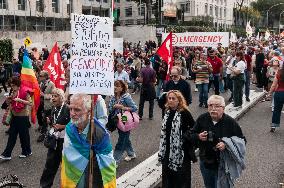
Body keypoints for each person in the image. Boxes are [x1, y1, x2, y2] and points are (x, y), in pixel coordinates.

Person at [190, 95, 246, 188]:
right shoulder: (202, 118)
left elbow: (242, 140)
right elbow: (191, 134)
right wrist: (198, 136)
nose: (213, 108)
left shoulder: (230, 122)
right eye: (210, 105)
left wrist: (226, 144)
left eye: (217, 106)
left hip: (223, 163)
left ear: (223, 108)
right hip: (206, 162)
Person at [61, 94, 115, 187]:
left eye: (77, 110)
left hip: (89, 175)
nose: (72, 113)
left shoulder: (100, 133)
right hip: (71, 175)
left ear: (89, 111)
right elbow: (67, 154)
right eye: (70, 109)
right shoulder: (69, 127)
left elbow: (108, 163)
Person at [158, 90, 195, 188]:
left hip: (181, 150)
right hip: (167, 149)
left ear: (179, 100)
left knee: (181, 178)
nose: (170, 100)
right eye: (169, 98)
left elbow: (194, 127)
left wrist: (186, 136)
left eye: (173, 98)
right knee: (167, 176)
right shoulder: (167, 111)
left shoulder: (185, 113)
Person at [40, 88, 70, 188]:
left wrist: (63, 127)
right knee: (49, 166)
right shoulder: (54, 108)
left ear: (61, 98)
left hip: (65, 142)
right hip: (54, 140)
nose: (52, 98)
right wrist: (50, 122)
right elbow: (54, 124)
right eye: (52, 96)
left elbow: (74, 125)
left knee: (67, 167)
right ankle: (44, 186)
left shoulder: (67, 108)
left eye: (55, 96)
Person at [0, 77, 33, 160]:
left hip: (23, 116)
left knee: (24, 135)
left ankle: (27, 151)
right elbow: (10, 102)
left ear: (18, 85)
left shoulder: (24, 91)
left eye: (14, 85)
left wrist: (20, 100)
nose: (12, 87)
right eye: (11, 85)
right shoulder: (13, 91)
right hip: (14, 115)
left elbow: (30, 103)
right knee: (12, 135)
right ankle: (7, 154)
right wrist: (8, 100)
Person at [108, 80, 138, 163]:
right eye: (114, 85)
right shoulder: (112, 97)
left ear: (122, 88)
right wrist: (114, 106)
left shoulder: (126, 97)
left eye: (117, 86)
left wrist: (123, 107)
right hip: (116, 120)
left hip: (125, 119)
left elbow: (135, 108)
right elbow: (110, 109)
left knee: (122, 140)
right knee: (125, 138)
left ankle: (115, 160)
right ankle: (131, 154)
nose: (115, 87)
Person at [37, 71, 55, 142]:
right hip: (42, 104)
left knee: (46, 120)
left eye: (41, 76)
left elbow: (54, 96)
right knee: (41, 116)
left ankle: (44, 134)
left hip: (49, 105)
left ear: (45, 77)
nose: (39, 76)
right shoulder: (41, 83)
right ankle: (44, 131)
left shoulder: (51, 84)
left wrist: (44, 95)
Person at [267, 63, 284, 132]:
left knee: (276, 110)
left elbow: (274, 85)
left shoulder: (279, 73)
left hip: (279, 93)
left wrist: (269, 93)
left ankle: (273, 126)